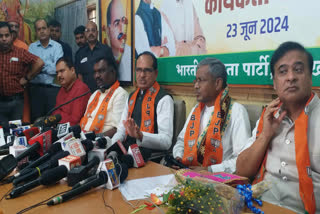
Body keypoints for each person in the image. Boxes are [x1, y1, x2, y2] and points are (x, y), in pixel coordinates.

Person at [236, 42, 320, 214]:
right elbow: (242, 171)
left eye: (298, 69)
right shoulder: (269, 116)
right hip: (258, 207)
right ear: (274, 83)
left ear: (311, 76)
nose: (291, 77)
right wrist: (266, 135)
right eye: (283, 71)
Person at [172, 58, 251, 172]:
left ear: (217, 83)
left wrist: (209, 170)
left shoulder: (236, 111)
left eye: (201, 80)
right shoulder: (196, 110)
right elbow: (181, 141)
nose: (196, 86)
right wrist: (178, 158)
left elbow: (242, 159)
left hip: (218, 181)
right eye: (195, 81)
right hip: (188, 173)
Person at [111, 51, 174, 153]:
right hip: (128, 152)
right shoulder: (131, 97)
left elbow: (166, 142)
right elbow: (121, 130)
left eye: (147, 71)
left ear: (156, 73)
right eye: (138, 70)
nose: (142, 75)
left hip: (150, 156)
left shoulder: (164, 99)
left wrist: (141, 136)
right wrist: (111, 146)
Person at [0, 21, 44, 131]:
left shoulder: (20, 52)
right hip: (0, 103)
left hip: (16, 102)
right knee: (1, 136)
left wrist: (27, 78)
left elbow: (39, 63)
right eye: (0, 36)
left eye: (6, 35)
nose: (4, 39)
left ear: (11, 36)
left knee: (16, 134)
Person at [80, 56, 128, 137]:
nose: (97, 76)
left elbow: (118, 130)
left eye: (101, 71)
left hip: (103, 143)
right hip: (84, 139)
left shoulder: (120, 94)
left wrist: (95, 138)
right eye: (95, 72)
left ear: (113, 72)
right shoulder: (95, 94)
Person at [28, 19, 63, 122]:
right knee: (37, 122)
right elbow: (31, 67)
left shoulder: (57, 47)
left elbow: (57, 69)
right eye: (39, 29)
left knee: (53, 121)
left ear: (48, 30)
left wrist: (39, 66)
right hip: (36, 90)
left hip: (53, 90)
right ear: (36, 32)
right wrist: (48, 66)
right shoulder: (32, 47)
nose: (42, 31)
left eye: (44, 28)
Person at [75, 21, 113, 92]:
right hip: (87, 94)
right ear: (85, 34)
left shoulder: (105, 50)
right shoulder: (80, 53)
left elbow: (112, 72)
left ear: (97, 33)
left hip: (104, 92)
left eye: (93, 30)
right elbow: (79, 75)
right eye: (88, 31)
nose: (90, 33)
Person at [52, 57, 91, 126]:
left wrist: (59, 116)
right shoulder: (62, 89)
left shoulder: (81, 89)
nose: (59, 75)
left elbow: (74, 120)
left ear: (72, 70)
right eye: (57, 73)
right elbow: (54, 114)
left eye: (62, 71)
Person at [106, 0, 131, 82]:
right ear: (108, 30)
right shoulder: (104, 55)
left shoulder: (132, 53)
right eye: (116, 23)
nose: (122, 28)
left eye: (123, 21)